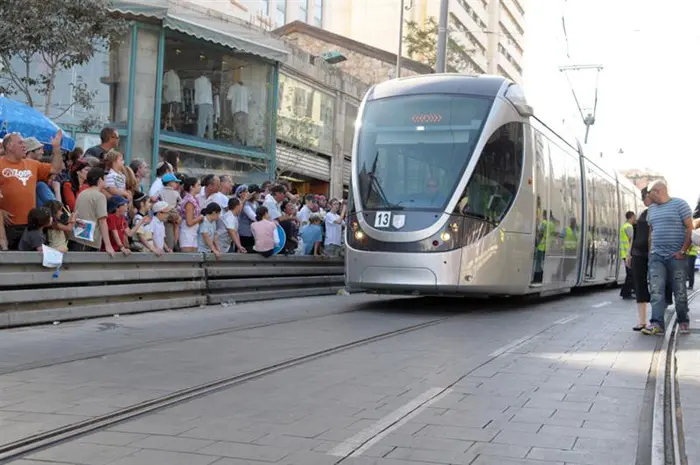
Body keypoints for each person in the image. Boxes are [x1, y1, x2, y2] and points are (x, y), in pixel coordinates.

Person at [642, 181, 694, 336]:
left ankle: (683, 320)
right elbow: (652, 232)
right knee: (656, 290)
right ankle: (656, 323)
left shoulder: (680, 204)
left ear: (658, 191)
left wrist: (683, 251)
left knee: (680, 291)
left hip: (676, 257)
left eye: (649, 194)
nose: (647, 198)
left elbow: (690, 228)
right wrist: (650, 251)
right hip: (657, 256)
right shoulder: (651, 209)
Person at [0, 131, 64, 249]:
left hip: (31, 226)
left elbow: (56, 169)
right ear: (9, 146)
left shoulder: (33, 164)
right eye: (20, 143)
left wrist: (56, 148)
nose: (24, 145)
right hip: (7, 225)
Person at [69, 167, 114, 256]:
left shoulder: (82, 193)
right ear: (100, 179)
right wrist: (108, 245)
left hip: (75, 237)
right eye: (104, 178)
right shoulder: (100, 196)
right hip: (90, 242)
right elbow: (102, 221)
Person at [620, 211, 636, 300]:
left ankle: (625, 292)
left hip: (625, 253)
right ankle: (626, 293)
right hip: (628, 254)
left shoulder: (624, 226)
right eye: (634, 217)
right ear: (632, 217)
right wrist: (629, 254)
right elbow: (631, 241)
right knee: (631, 274)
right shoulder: (629, 227)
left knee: (629, 274)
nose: (635, 219)